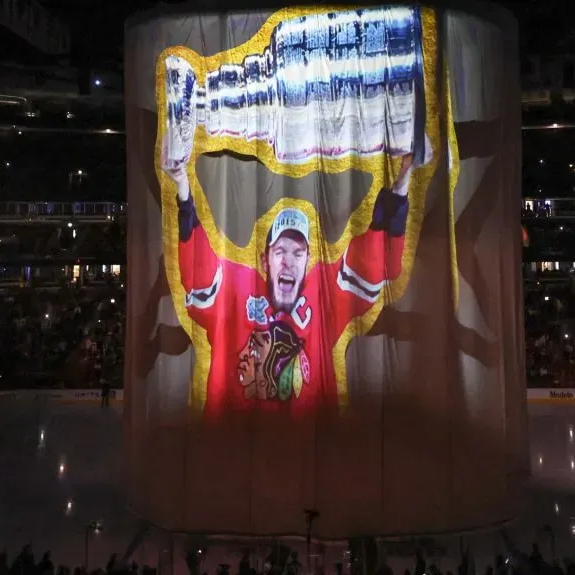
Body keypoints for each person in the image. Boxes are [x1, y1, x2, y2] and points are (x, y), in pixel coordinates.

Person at [161, 132, 430, 416]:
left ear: (308, 261)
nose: (288, 261)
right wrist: (182, 190)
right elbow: (200, 271)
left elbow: (373, 263)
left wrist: (403, 179)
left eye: (298, 252)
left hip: (306, 443)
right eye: (280, 252)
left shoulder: (323, 295)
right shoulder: (238, 288)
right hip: (238, 438)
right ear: (265, 260)